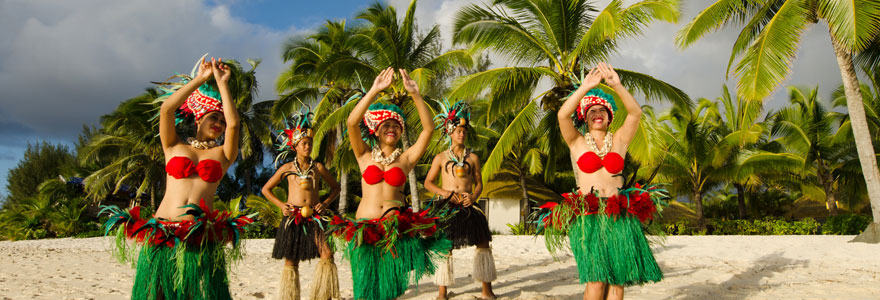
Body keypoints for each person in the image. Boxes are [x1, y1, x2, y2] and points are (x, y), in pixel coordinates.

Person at [101, 56, 253, 300]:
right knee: (156, 294)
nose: (220, 123)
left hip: (198, 237)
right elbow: (167, 109)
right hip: (163, 232)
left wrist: (222, 82)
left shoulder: (223, 154)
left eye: (222, 120)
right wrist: (201, 79)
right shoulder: (173, 146)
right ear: (198, 118)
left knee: (191, 295)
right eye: (214, 117)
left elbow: (235, 124)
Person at [539, 62, 665, 300]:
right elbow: (562, 114)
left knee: (617, 283)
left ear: (609, 118)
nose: (598, 114)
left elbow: (635, 113)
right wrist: (585, 87)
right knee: (596, 283)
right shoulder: (576, 141)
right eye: (592, 112)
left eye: (603, 111)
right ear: (585, 118)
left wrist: (616, 85)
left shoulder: (619, 140)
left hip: (619, 215)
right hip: (589, 218)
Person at [328, 67, 450, 300]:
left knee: (391, 290)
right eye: (386, 125)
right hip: (365, 226)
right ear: (375, 131)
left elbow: (428, 129)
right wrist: (374, 90)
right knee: (365, 290)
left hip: (394, 230)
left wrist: (415, 94)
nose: (392, 129)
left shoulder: (406, 159)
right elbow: (352, 123)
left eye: (396, 125)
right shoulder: (363, 155)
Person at [262, 106, 341, 300]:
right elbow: (265, 189)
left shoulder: (318, 167)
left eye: (310, 143)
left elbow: (336, 188)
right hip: (293, 217)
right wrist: (281, 206)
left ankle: (323, 295)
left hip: (315, 216)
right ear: (295, 146)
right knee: (291, 259)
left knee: (327, 254)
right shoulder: (287, 168)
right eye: (304, 143)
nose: (307, 146)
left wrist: (326, 202)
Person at [424, 100, 496, 300]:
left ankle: (486, 290)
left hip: (468, 204)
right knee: (444, 246)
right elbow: (428, 183)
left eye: (464, 131)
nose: (462, 134)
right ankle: (442, 293)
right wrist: (445, 193)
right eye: (458, 130)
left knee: (483, 243)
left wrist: (473, 196)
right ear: (449, 132)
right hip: (446, 205)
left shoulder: (473, 158)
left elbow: (479, 184)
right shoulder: (440, 157)